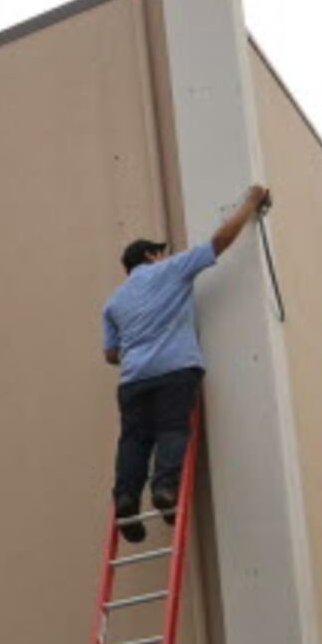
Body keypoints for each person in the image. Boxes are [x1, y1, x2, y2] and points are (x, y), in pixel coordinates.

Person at [101, 184, 271, 541]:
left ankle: (127, 496)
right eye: (162, 252)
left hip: (133, 381)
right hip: (175, 371)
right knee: (172, 429)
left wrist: (140, 348)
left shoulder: (114, 302)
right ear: (150, 256)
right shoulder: (171, 270)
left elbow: (110, 354)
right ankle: (164, 487)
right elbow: (220, 241)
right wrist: (250, 203)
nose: (166, 256)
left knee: (134, 439)